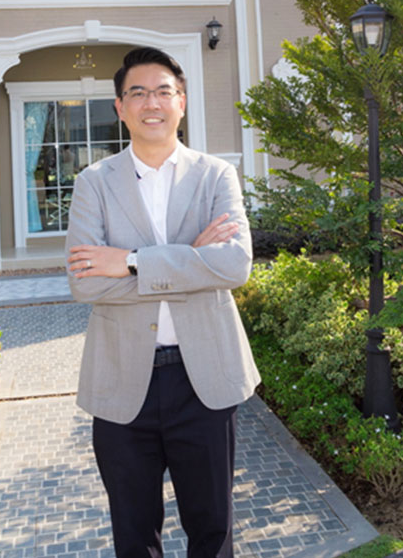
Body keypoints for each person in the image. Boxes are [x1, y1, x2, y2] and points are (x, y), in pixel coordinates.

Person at [66, 46, 260, 558]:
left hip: (205, 379)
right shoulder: (93, 183)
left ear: (182, 102)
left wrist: (130, 261)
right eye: (138, 93)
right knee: (133, 536)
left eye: (163, 91)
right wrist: (191, 260)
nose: (151, 102)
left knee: (213, 530)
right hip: (121, 380)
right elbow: (86, 284)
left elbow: (235, 265)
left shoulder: (216, 176)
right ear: (120, 107)